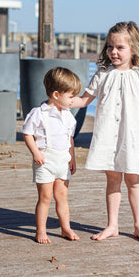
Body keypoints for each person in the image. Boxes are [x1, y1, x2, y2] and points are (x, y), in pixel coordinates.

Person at [71, 21, 139, 243]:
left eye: (120, 47)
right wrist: (60, 101)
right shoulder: (102, 74)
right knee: (112, 179)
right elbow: (84, 100)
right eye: (110, 47)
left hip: (133, 138)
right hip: (108, 135)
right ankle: (112, 225)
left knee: (134, 181)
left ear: (134, 48)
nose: (113, 52)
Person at [22, 67, 82, 244]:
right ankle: (41, 230)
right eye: (71, 97)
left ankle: (66, 228)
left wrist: (73, 158)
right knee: (45, 197)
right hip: (45, 160)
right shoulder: (38, 113)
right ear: (56, 94)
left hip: (63, 160)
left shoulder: (69, 117)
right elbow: (27, 133)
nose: (73, 101)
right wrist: (35, 152)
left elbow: (69, 138)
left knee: (62, 196)